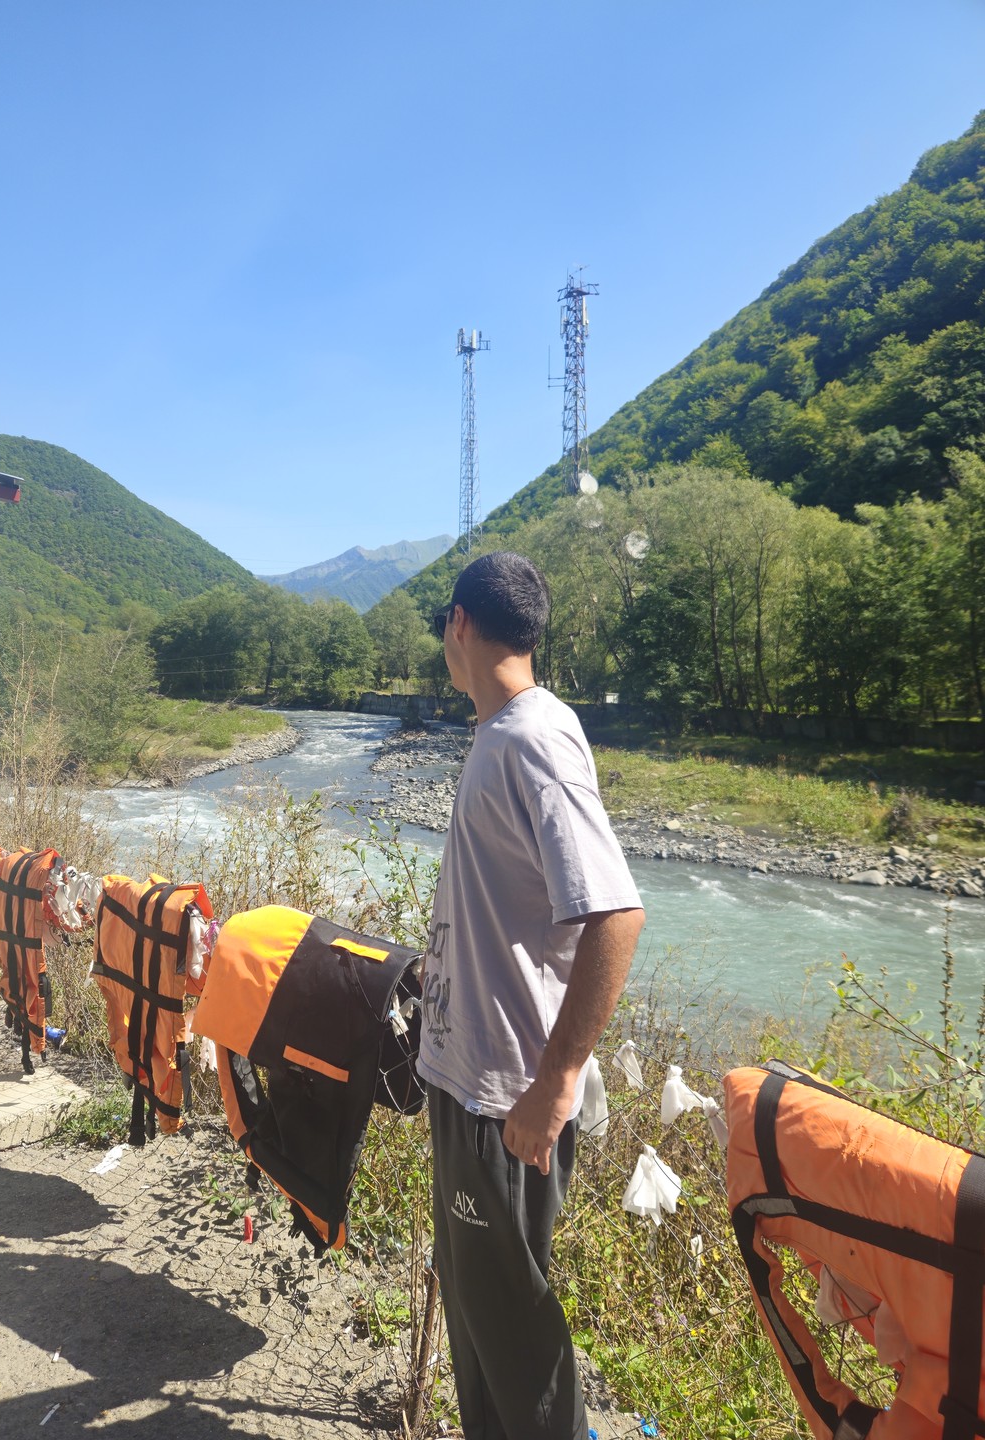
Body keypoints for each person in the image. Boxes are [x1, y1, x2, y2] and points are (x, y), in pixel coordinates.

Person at [417, 551, 645, 1440]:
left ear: (461, 625)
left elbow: (616, 915)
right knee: (478, 1311)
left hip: (505, 1097)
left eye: (445, 627)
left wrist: (555, 1084)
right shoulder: (500, 733)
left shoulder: (533, 739)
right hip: (465, 1079)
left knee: (513, 1329)